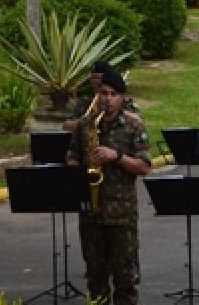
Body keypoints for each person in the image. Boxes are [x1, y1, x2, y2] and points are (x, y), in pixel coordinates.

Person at [65, 68, 151, 305]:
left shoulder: (133, 125)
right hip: (91, 212)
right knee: (95, 274)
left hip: (121, 214)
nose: (108, 99)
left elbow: (144, 167)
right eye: (104, 93)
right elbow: (72, 154)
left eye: (113, 94)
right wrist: (79, 172)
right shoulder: (86, 124)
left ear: (122, 97)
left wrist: (116, 156)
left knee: (124, 278)